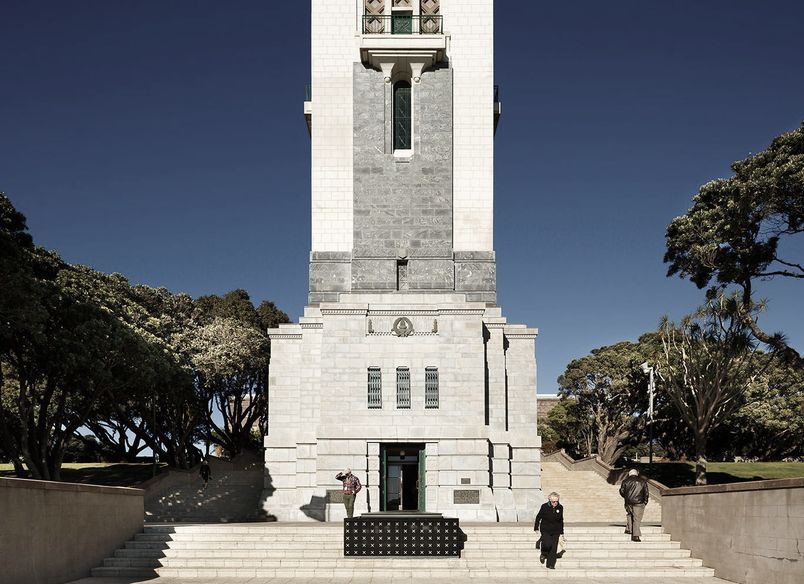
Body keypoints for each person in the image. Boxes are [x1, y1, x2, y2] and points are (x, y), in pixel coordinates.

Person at [534, 491, 564, 569]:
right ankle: (543, 554)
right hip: (545, 529)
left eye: (557, 501)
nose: (555, 503)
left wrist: (561, 532)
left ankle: (550, 564)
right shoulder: (544, 506)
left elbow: (561, 520)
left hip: (556, 530)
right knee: (547, 543)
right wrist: (536, 528)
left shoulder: (560, 507)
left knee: (554, 548)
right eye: (553, 501)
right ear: (549, 500)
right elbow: (538, 517)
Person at [619, 468, 649, 542]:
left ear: (629, 474)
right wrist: (645, 501)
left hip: (628, 502)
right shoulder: (642, 481)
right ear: (637, 474)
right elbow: (646, 492)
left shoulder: (625, 481)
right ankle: (635, 535)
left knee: (629, 514)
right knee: (637, 518)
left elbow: (622, 491)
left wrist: (627, 497)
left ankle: (629, 529)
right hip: (639, 502)